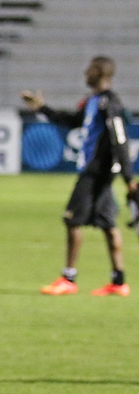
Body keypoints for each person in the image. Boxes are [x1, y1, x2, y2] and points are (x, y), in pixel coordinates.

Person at [22, 55, 139, 296]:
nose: (85, 72)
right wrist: (41, 108)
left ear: (99, 72)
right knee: (107, 224)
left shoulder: (110, 102)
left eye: (89, 69)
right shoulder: (93, 102)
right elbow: (72, 121)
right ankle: (119, 282)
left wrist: (129, 179)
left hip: (97, 171)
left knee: (72, 219)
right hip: (99, 172)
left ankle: (68, 278)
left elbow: (119, 140)